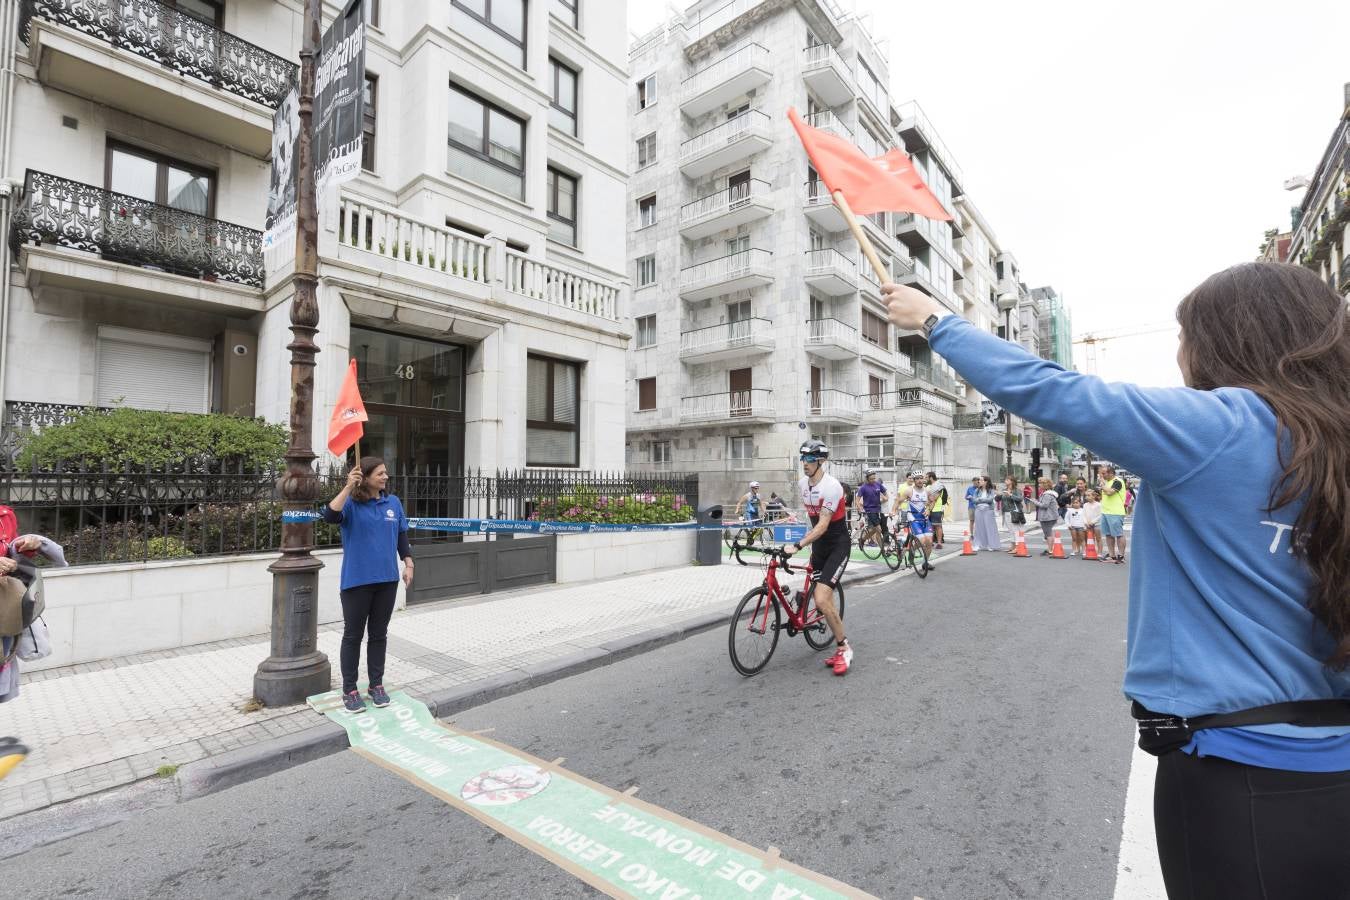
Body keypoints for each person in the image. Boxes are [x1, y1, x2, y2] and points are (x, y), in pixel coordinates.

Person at [884, 262, 1350, 897]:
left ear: (1228, 342)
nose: (1180, 353)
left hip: (1235, 773)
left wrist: (936, 321)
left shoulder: (1219, 426)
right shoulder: (1334, 440)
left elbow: (1051, 390)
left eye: (1186, 335)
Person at [321, 457, 415, 714]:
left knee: (379, 634)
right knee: (353, 635)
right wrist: (348, 487)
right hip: (357, 581)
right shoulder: (351, 503)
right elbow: (329, 515)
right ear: (367, 477)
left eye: (386, 473)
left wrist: (408, 563)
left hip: (387, 580)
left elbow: (401, 536)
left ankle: (376, 685)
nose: (386, 477)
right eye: (380, 474)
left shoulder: (392, 502)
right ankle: (350, 689)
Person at [787, 440, 852, 676]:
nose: (805, 463)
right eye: (803, 458)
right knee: (817, 594)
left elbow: (823, 525)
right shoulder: (803, 483)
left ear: (821, 461)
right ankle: (806, 601)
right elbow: (809, 517)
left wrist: (798, 544)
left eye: (810, 459)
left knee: (822, 599)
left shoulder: (833, 487)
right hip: (819, 545)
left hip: (837, 544)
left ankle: (844, 648)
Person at [905, 472, 936, 569]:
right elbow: (898, 500)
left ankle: (925, 563)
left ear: (924, 479)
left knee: (929, 542)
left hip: (924, 518)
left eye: (921, 478)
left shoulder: (927, 491)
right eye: (917, 479)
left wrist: (928, 509)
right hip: (913, 518)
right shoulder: (909, 491)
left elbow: (932, 501)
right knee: (921, 541)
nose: (919, 480)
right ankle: (912, 551)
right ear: (914, 480)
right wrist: (893, 510)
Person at [1099, 465, 1128, 565]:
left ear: (1111, 473)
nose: (1102, 475)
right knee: (1108, 534)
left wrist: (1102, 485)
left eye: (1103, 473)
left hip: (1116, 512)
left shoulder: (1117, 481)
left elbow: (1109, 492)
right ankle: (1112, 555)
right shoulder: (1107, 482)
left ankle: (1121, 556)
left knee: (1118, 534)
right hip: (1105, 511)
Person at [853, 468, 888, 551]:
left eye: (874, 478)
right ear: (867, 478)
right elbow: (857, 500)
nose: (873, 480)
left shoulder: (878, 484)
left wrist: (885, 499)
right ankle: (882, 550)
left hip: (878, 510)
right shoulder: (863, 487)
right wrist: (859, 507)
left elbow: (886, 494)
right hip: (869, 510)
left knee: (875, 530)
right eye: (871, 479)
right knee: (879, 529)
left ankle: (862, 539)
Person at [1029, 476, 1060, 556]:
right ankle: (1050, 549)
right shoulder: (1049, 493)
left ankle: (1050, 550)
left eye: (1041, 483)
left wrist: (1034, 502)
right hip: (1050, 516)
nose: (1039, 485)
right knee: (1048, 533)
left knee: (1048, 534)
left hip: (1047, 517)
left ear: (1045, 485)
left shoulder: (1047, 495)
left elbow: (1044, 505)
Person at [969, 475, 1001, 551]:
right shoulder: (977, 490)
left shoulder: (991, 490)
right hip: (978, 510)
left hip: (988, 510)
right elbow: (974, 500)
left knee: (990, 528)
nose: (979, 481)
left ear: (986, 482)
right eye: (979, 480)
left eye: (981, 480)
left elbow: (990, 500)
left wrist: (979, 499)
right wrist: (982, 500)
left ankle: (991, 545)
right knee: (978, 528)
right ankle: (978, 544)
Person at [999, 478, 1028, 553]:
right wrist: (998, 495)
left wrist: (1010, 494)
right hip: (1006, 512)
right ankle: (1013, 546)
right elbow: (999, 499)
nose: (1005, 481)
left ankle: (1018, 547)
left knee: (1016, 530)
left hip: (1014, 512)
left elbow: (1020, 499)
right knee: (1011, 530)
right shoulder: (1004, 489)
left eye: (1007, 480)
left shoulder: (1016, 490)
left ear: (1012, 481)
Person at [926, 471, 948, 549]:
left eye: (927, 477)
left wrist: (928, 497)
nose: (925, 479)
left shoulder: (939, 485)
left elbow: (933, 498)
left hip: (937, 509)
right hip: (929, 509)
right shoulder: (929, 486)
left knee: (938, 526)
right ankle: (931, 542)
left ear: (931, 477)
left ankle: (939, 543)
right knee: (930, 527)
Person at [1083, 490, 1103, 558]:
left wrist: (1093, 522)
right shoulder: (1085, 505)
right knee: (1090, 538)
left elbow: (1100, 515)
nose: (1087, 497)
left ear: (1094, 496)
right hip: (1088, 524)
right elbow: (1083, 514)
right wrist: (1086, 522)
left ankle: (1100, 552)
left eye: (1089, 495)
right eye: (1086, 495)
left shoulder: (1098, 504)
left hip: (1097, 524)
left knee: (1098, 538)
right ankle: (1090, 550)